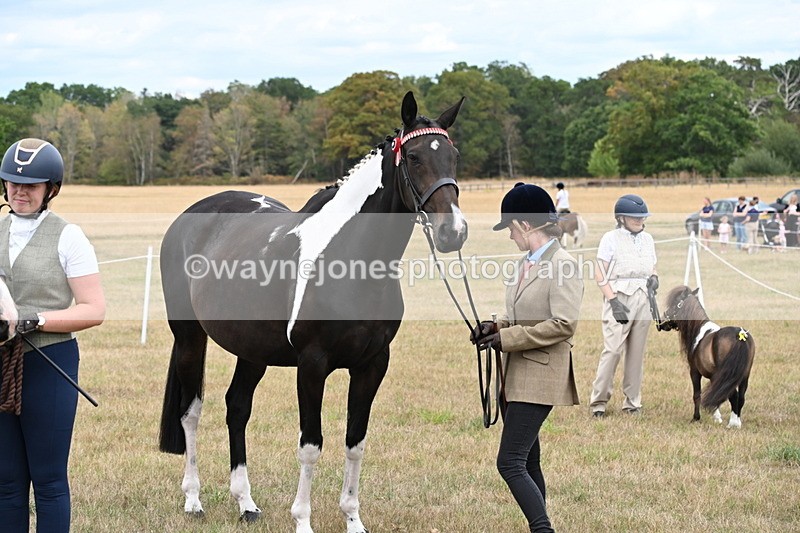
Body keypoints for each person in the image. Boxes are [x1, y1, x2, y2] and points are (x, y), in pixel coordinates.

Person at [0, 138, 105, 532]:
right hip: (2, 365)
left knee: (48, 481)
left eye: (30, 185)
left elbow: (94, 310)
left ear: (51, 189)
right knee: (7, 483)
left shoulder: (68, 236)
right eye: (12, 183)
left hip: (49, 362)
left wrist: (33, 320)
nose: (20, 191)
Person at [471, 182, 582, 533]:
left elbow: (564, 325)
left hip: (540, 376)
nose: (509, 237)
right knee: (529, 461)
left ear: (524, 225)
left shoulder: (563, 265)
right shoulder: (527, 262)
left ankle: (542, 529)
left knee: (510, 462)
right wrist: (494, 326)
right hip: (515, 376)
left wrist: (509, 337)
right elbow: (520, 314)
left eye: (509, 229)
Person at [589, 194, 657, 417]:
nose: (639, 220)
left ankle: (633, 402)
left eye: (641, 217)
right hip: (619, 297)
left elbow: (652, 267)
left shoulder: (648, 239)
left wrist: (655, 277)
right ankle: (598, 402)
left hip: (643, 299)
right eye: (634, 217)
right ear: (621, 218)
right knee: (612, 350)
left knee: (636, 353)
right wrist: (613, 300)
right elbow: (600, 272)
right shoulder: (610, 238)